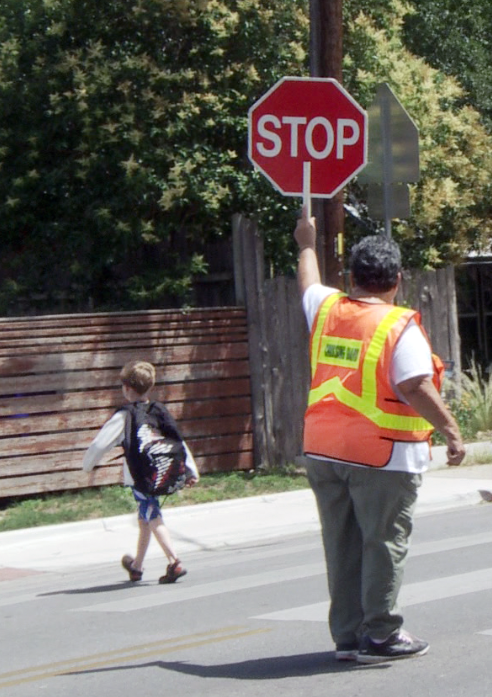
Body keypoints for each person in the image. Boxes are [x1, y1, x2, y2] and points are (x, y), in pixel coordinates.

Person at [294, 207, 465, 664]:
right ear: (398, 279)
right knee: (384, 542)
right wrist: (451, 431)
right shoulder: (397, 325)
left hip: (324, 451)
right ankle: (382, 633)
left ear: (351, 276)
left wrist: (306, 242)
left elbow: (308, 281)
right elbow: (414, 385)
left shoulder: (327, 308)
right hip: (382, 455)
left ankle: (348, 636)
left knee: (342, 544)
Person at [82, 360, 199, 584]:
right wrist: (190, 469)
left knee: (152, 514)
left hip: (141, 476)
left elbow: (99, 445)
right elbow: (177, 440)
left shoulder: (125, 415)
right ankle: (137, 567)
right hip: (162, 471)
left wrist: (87, 466)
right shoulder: (158, 411)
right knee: (144, 518)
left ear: (126, 388)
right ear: (150, 387)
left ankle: (174, 561)